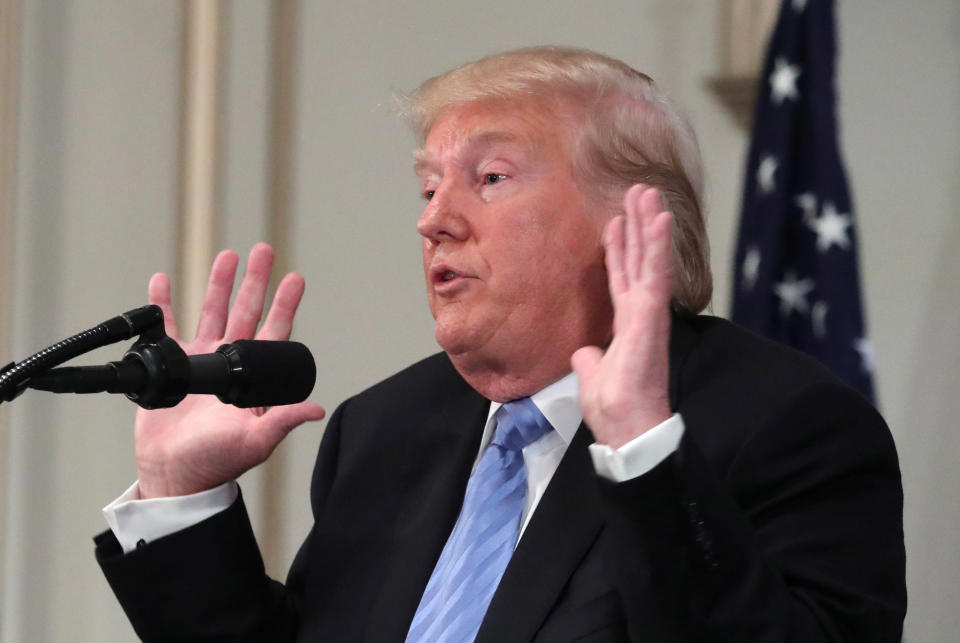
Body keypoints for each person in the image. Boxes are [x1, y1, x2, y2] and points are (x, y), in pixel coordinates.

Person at [95, 47, 905, 642]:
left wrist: (643, 450)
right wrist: (180, 494)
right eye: (427, 185)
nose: (433, 218)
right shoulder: (385, 430)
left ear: (634, 220)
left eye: (490, 178)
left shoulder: (784, 425)